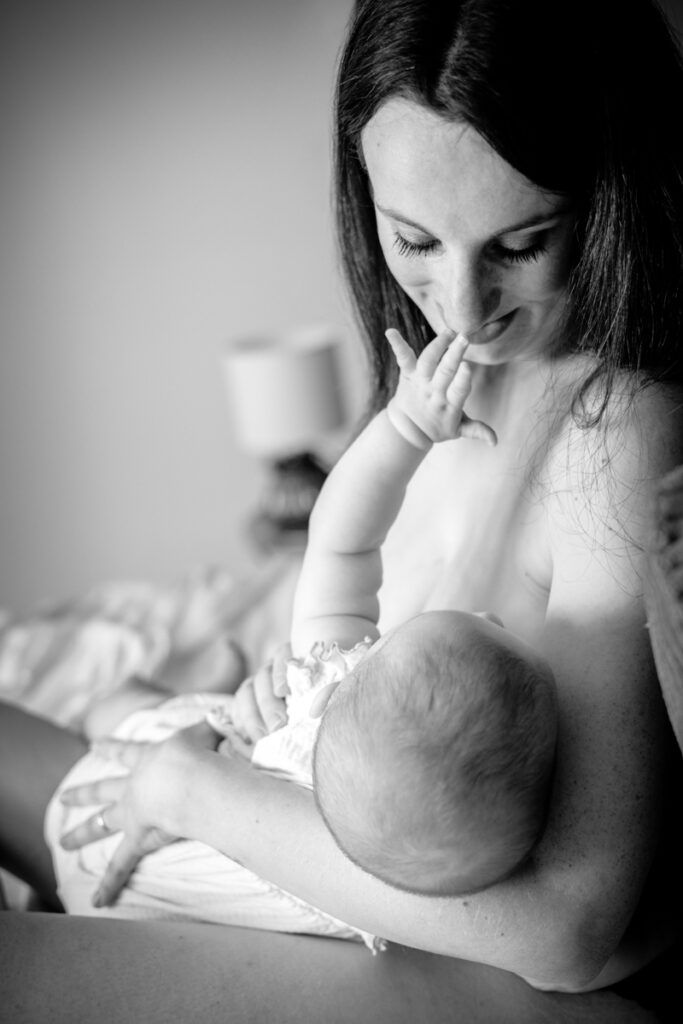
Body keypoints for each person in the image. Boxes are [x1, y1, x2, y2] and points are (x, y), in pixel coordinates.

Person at [2, 0, 683, 1006]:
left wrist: (201, 794)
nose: (459, 307)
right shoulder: (434, 385)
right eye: (412, 239)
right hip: (252, 796)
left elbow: (566, 925)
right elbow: (342, 607)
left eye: (521, 241)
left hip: (305, 895)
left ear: (609, 195)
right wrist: (271, 699)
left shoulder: (615, 432)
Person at [42, 329, 557, 935]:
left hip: (108, 813)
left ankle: (191, 686)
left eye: (465, 623)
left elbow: (341, 541)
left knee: (117, 706)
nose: (491, 616)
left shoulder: (325, 690)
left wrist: (408, 429)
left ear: (358, 671)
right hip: (127, 899)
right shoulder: (375, 904)